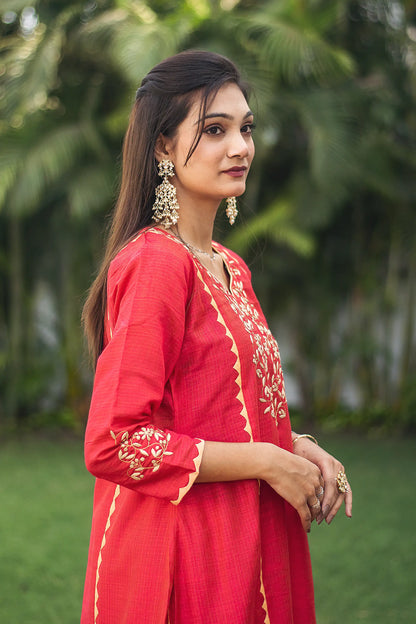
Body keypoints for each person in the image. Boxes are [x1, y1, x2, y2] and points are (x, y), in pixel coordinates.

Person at [81, 50, 352, 624]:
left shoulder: (228, 265)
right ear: (161, 146)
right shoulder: (156, 263)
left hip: (247, 540)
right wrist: (265, 461)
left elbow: (224, 408)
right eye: (214, 129)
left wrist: (295, 447)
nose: (240, 147)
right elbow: (116, 440)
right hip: (185, 555)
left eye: (246, 128)